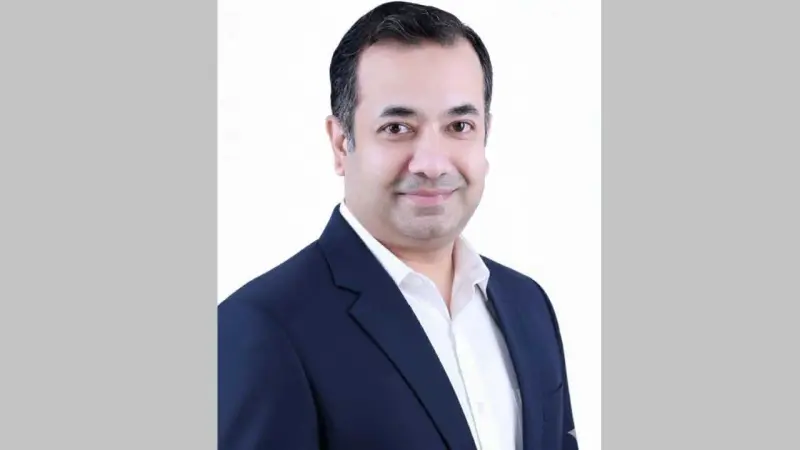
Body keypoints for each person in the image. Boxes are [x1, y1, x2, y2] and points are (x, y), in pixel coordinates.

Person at [218, 2, 579, 449]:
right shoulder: (262, 328)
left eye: (459, 125)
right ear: (340, 143)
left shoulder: (527, 304)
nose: (432, 163)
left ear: (485, 133)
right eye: (397, 128)